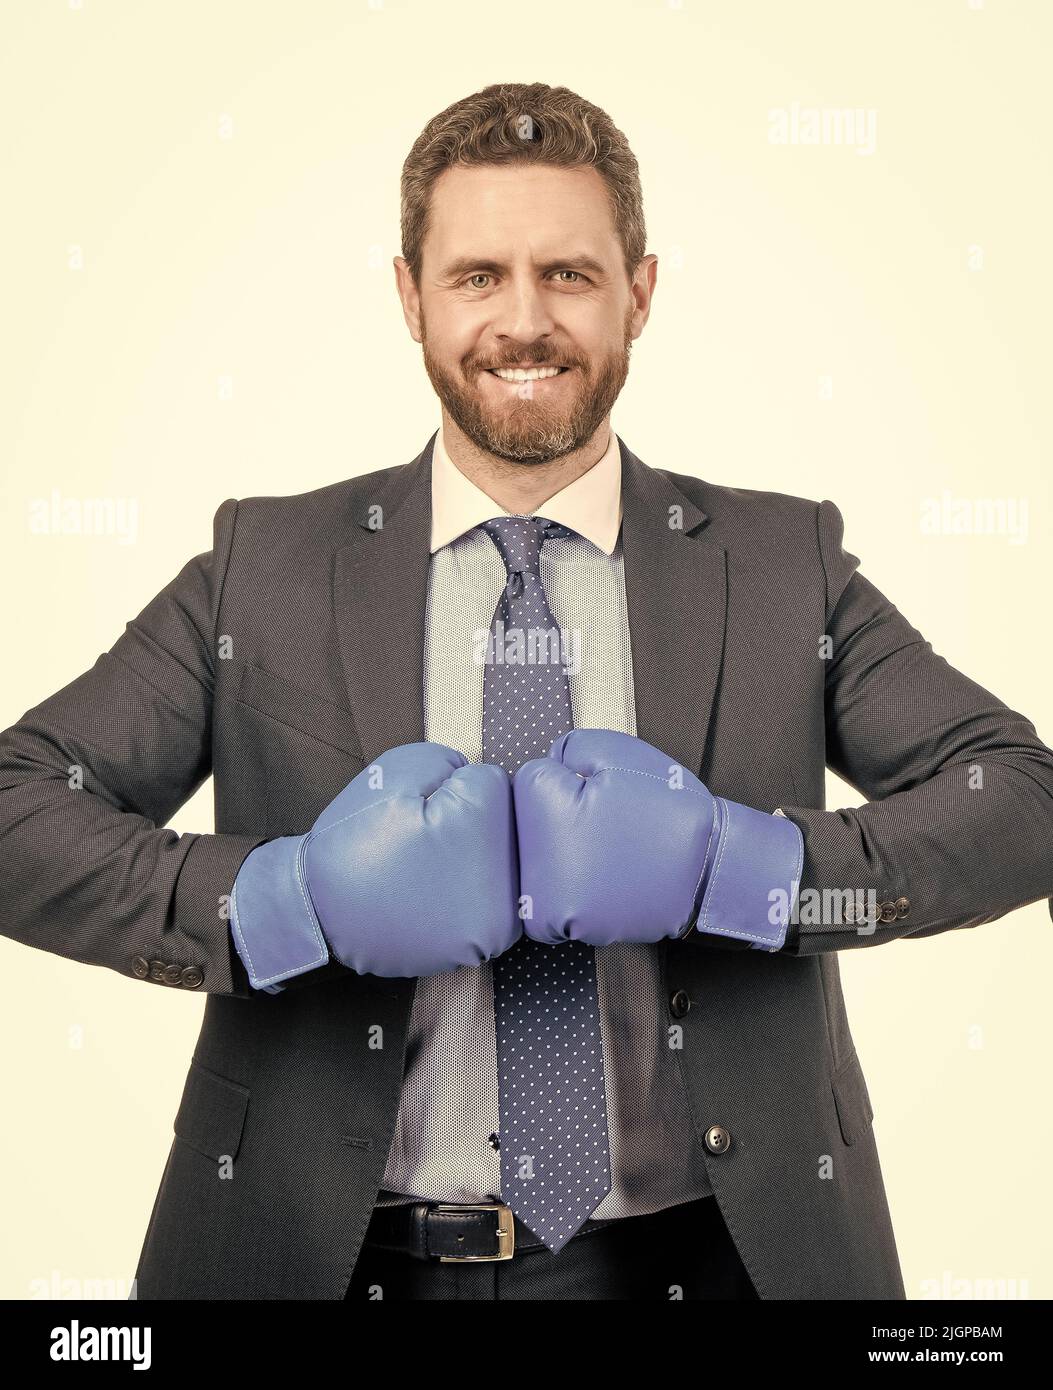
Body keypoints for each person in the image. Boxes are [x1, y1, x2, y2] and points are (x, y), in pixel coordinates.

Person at [2, 82, 1051, 1301]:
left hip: (718, 1262)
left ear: (638, 294)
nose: (524, 321)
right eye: (477, 275)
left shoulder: (780, 567)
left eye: (568, 274)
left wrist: (744, 867)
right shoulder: (263, 568)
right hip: (324, 1262)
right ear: (410, 295)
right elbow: (19, 810)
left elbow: (1017, 799)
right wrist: (286, 900)